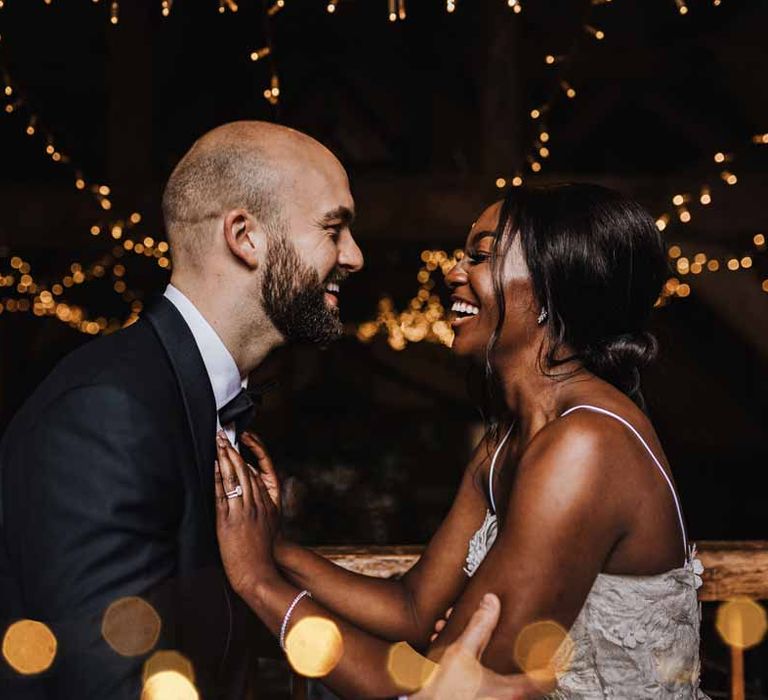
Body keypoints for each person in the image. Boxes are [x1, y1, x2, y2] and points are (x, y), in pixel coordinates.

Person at [214, 184, 709, 698]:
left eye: (481, 256)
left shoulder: (586, 445)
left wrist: (259, 584)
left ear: (551, 288)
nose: (452, 271)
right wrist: (272, 547)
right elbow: (410, 608)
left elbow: (434, 687)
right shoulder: (506, 441)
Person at [0, 120, 364, 698]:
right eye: (334, 228)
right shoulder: (107, 413)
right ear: (246, 236)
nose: (355, 256)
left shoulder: (196, 393)